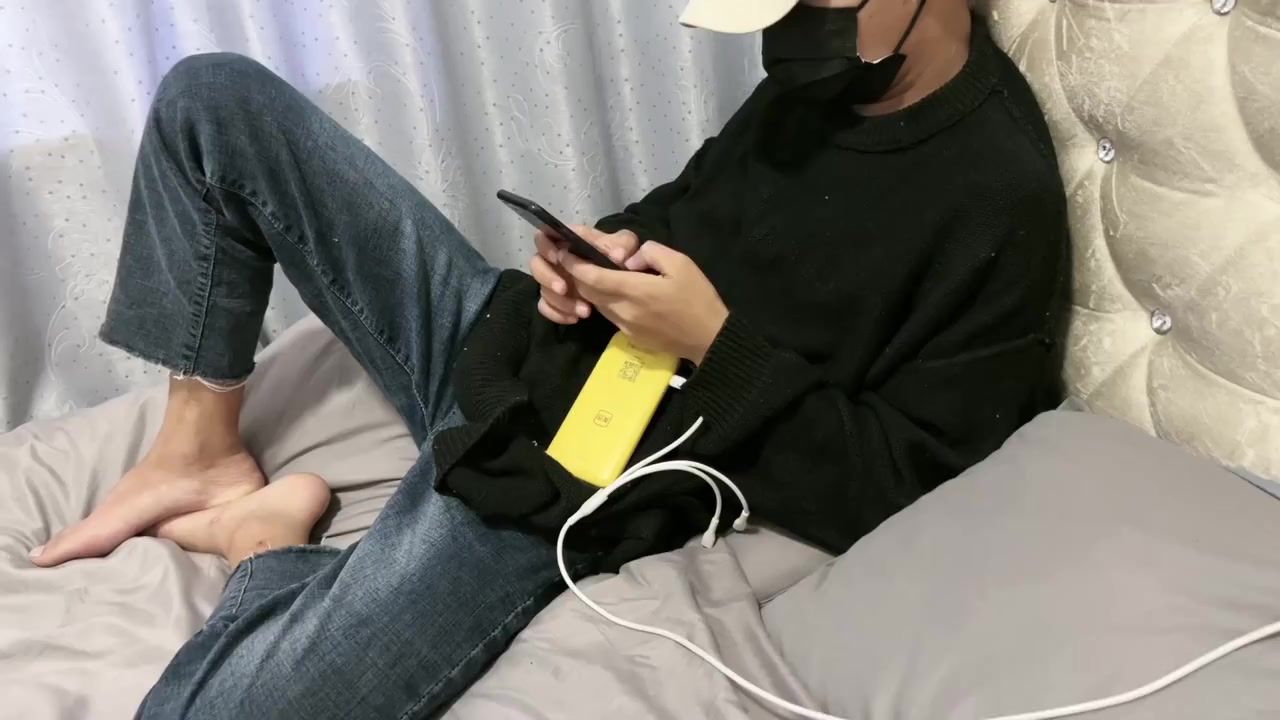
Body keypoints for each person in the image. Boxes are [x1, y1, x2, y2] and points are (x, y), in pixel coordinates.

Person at [29, 0, 1067, 716]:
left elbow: (910, 481)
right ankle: (199, 453)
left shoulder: (994, 194)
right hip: (523, 342)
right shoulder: (822, 82)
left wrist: (713, 347)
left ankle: (265, 545)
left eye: (807, 6)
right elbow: (687, 208)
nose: (786, 32)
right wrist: (596, 257)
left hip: (570, 477)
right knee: (213, 101)